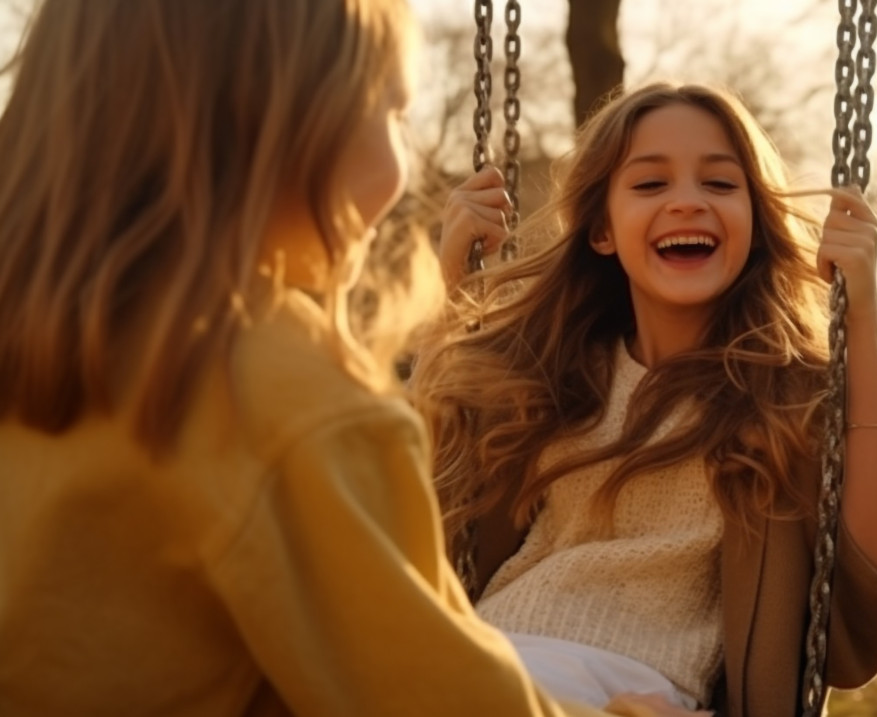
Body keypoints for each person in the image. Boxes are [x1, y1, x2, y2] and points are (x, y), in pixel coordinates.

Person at [0, 2, 700, 716]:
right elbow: (430, 696)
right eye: (394, 113)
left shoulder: (49, 346)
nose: (405, 160)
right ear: (289, 127)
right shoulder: (287, 400)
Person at [410, 82, 877, 717]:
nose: (686, 201)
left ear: (755, 222)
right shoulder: (553, 373)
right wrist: (449, 292)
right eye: (651, 184)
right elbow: (412, 505)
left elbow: (869, 594)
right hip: (498, 654)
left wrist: (863, 321)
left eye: (720, 183)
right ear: (602, 229)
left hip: (643, 689)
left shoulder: (788, 396)